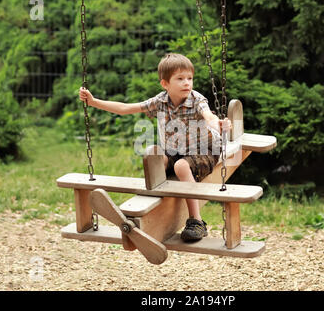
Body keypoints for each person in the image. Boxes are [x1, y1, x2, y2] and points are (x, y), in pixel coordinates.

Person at [79, 53, 231, 242]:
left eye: (190, 78)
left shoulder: (197, 100)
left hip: (204, 150)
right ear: (165, 84)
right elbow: (126, 108)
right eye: (180, 79)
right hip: (175, 150)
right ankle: (151, 204)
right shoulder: (159, 101)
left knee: (181, 167)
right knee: (155, 157)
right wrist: (94, 102)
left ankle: (196, 221)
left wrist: (219, 125)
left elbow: (209, 116)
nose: (187, 83)